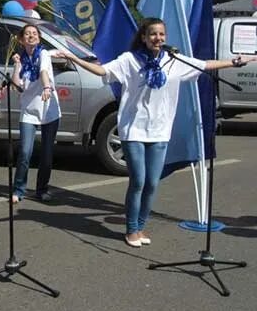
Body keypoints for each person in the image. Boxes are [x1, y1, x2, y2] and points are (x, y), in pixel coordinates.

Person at [55, 17, 255, 247]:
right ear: (143, 37)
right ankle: (130, 230)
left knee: (152, 182)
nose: (157, 38)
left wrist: (235, 62)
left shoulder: (174, 60)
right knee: (138, 180)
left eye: (161, 34)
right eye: (152, 34)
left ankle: (140, 227)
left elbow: (205, 64)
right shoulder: (129, 60)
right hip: (133, 129)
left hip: (160, 130)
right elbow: (101, 71)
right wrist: (73, 57)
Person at [11, 24, 61, 204]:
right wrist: (16, 65)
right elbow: (17, 85)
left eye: (34, 33)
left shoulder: (43, 54)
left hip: (49, 109)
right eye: (27, 34)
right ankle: (19, 188)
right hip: (29, 110)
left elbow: (44, 72)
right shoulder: (21, 59)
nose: (31, 36)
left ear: (39, 38)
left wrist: (47, 87)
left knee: (47, 153)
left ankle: (42, 189)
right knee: (25, 152)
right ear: (21, 39)